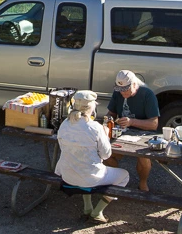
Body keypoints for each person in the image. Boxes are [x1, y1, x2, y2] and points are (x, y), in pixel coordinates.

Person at [55, 90, 129, 223]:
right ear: (92, 108)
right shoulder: (95, 127)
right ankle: (97, 212)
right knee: (124, 176)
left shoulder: (64, 124)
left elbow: (63, 148)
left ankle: (87, 207)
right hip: (89, 177)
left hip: (67, 175)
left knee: (83, 165)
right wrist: (105, 135)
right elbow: (106, 155)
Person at [104, 70, 160, 191]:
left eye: (126, 89)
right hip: (122, 133)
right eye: (120, 89)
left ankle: (143, 183)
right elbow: (111, 114)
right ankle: (117, 178)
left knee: (143, 156)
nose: (123, 92)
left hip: (143, 134)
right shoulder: (118, 93)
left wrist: (132, 122)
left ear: (134, 84)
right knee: (104, 152)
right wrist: (107, 121)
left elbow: (154, 124)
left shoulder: (147, 94)